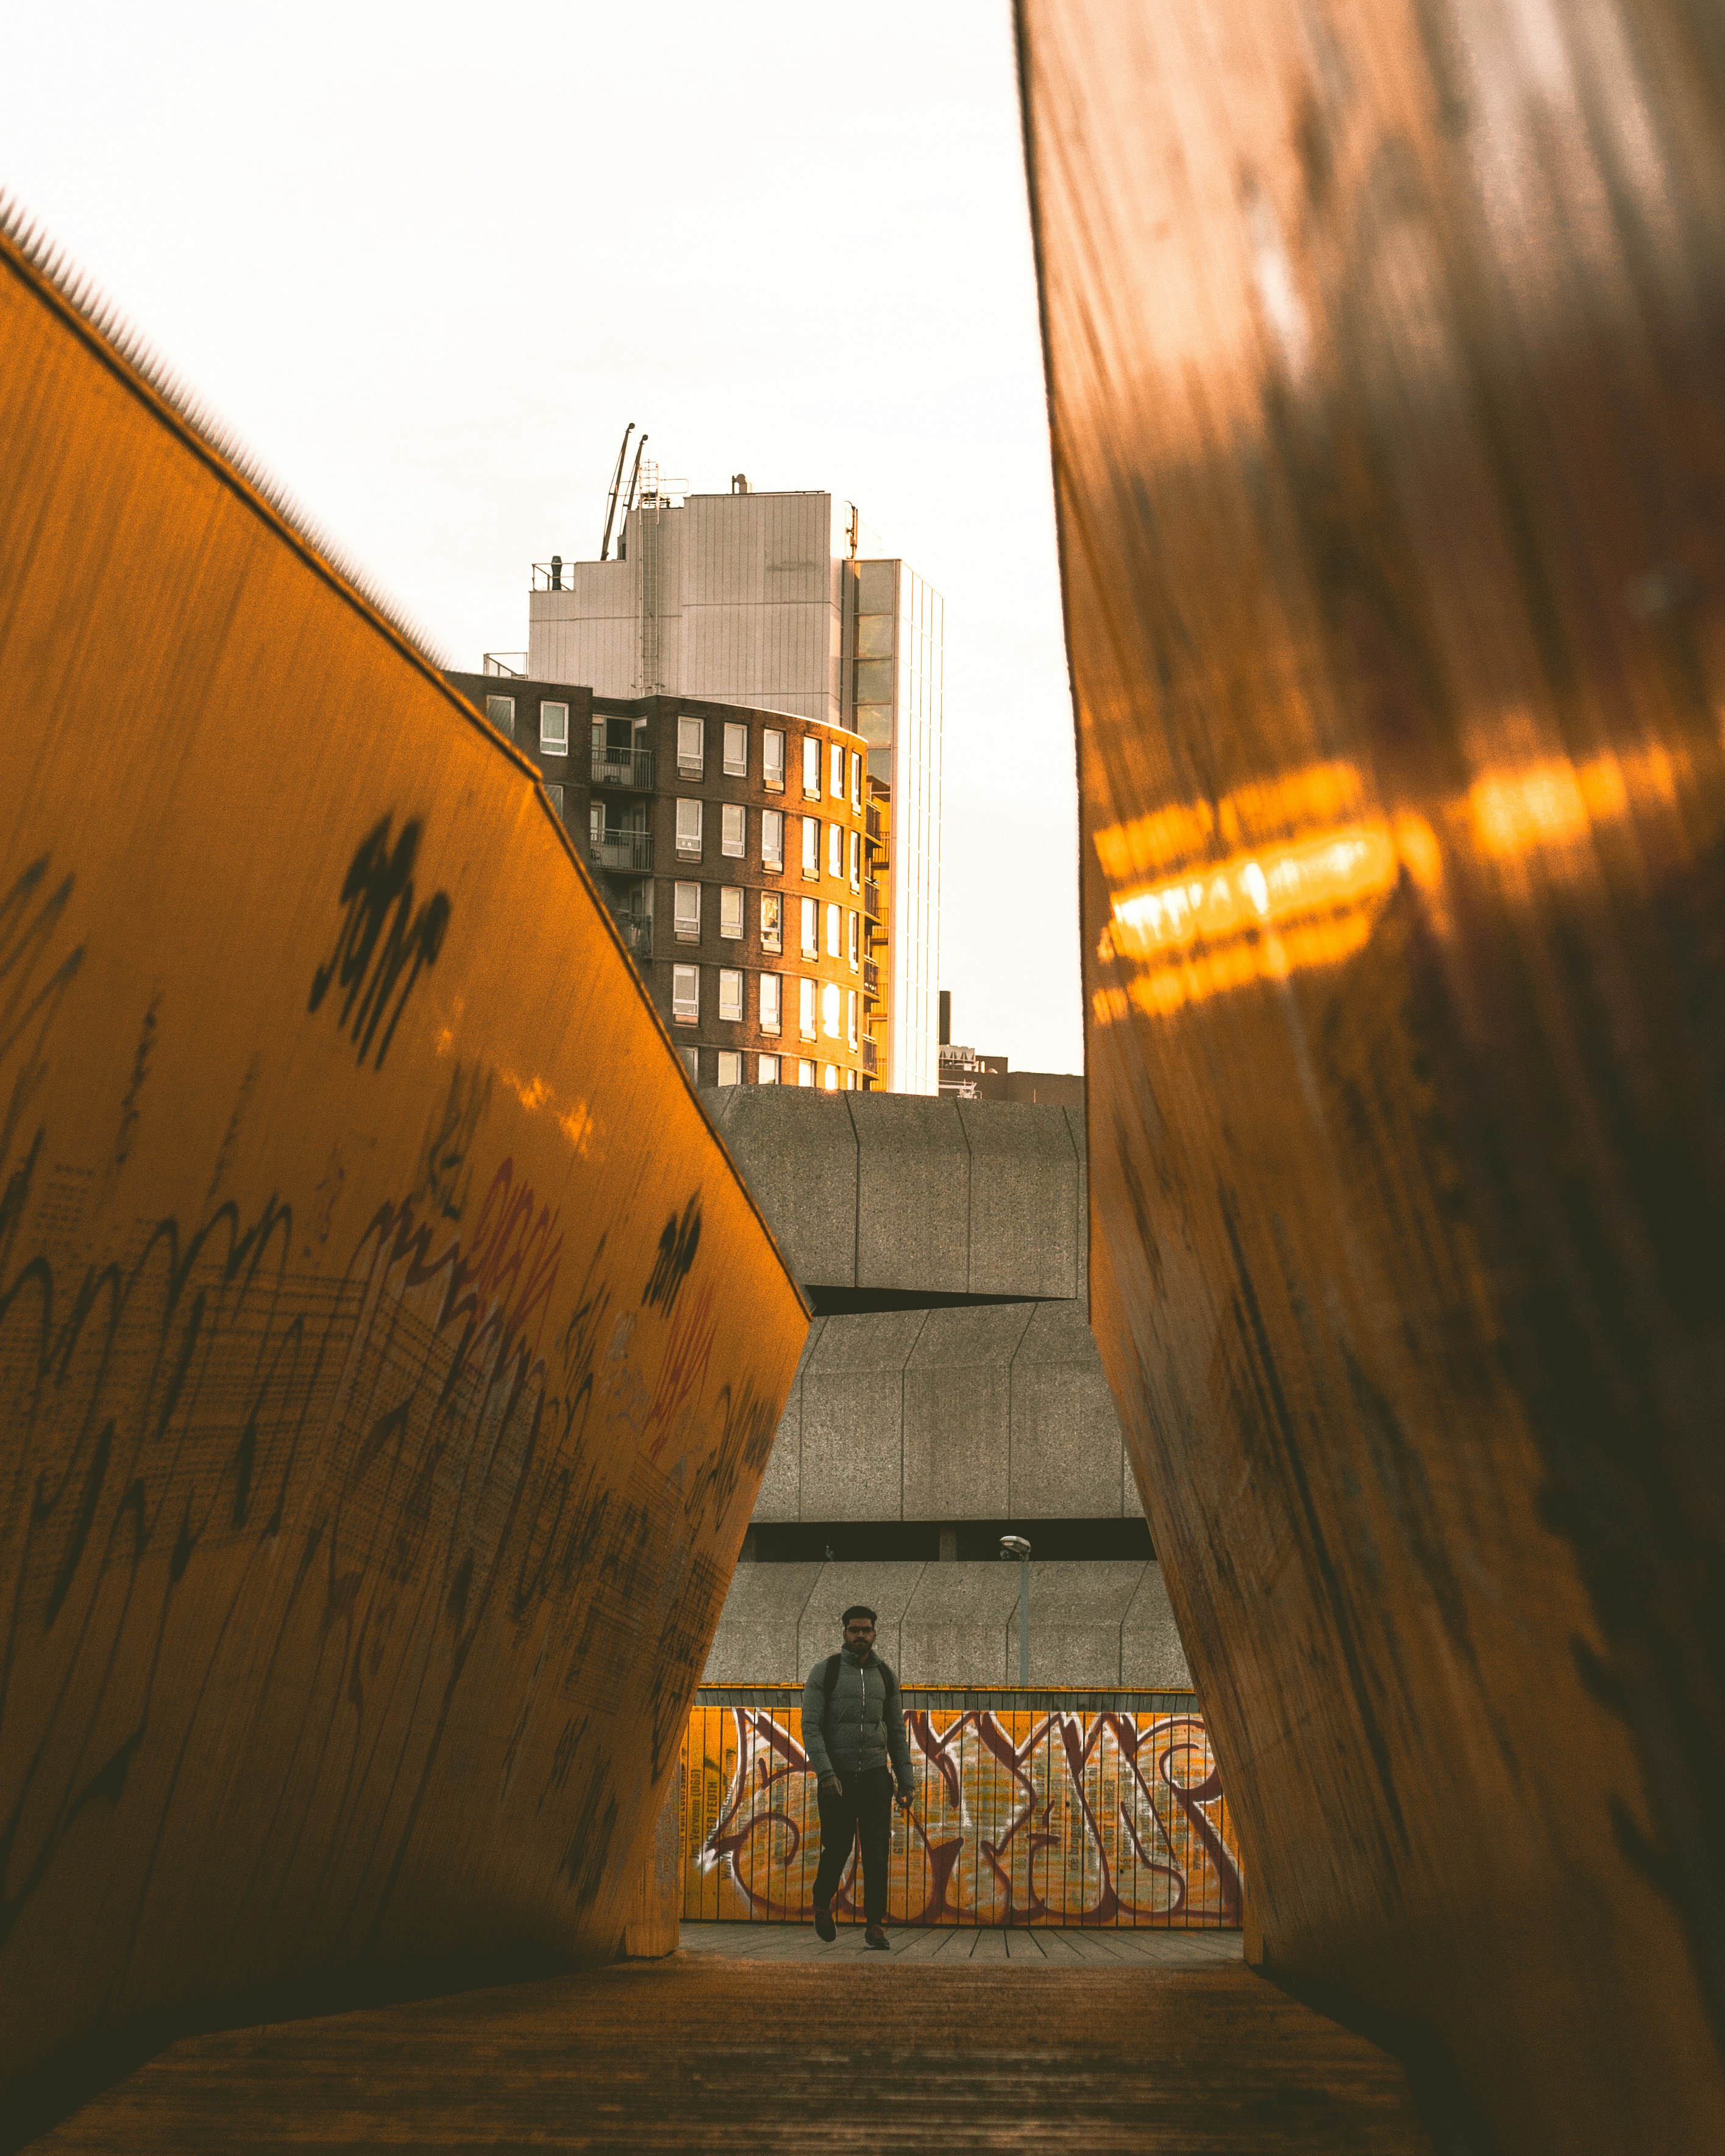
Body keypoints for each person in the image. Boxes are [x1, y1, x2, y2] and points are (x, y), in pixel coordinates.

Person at [801, 1605, 916, 1950]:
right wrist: (825, 1773)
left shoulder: (886, 1676)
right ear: (845, 1633)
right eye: (854, 1630)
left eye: (866, 1630)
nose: (861, 1636)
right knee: (837, 1848)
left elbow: (896, 1730)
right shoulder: (826, 1672)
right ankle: (822, 1903)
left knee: (878, 1853)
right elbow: (811, 1726)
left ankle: (876, 1926)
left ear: (875, 1633)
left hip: (875, 1778)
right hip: (837, 1780)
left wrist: (906, 1781)